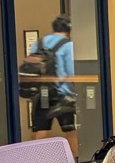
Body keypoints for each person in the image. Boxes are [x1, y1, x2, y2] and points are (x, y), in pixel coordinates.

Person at [29, 15, 79, 155]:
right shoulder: (68, 45)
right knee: (69, 129)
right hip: (62, 94)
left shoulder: (38, 43)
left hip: (41, 93)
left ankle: (36, 160)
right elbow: (71, 71)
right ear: (68, 30)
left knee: (41, 129)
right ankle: (76, 159)